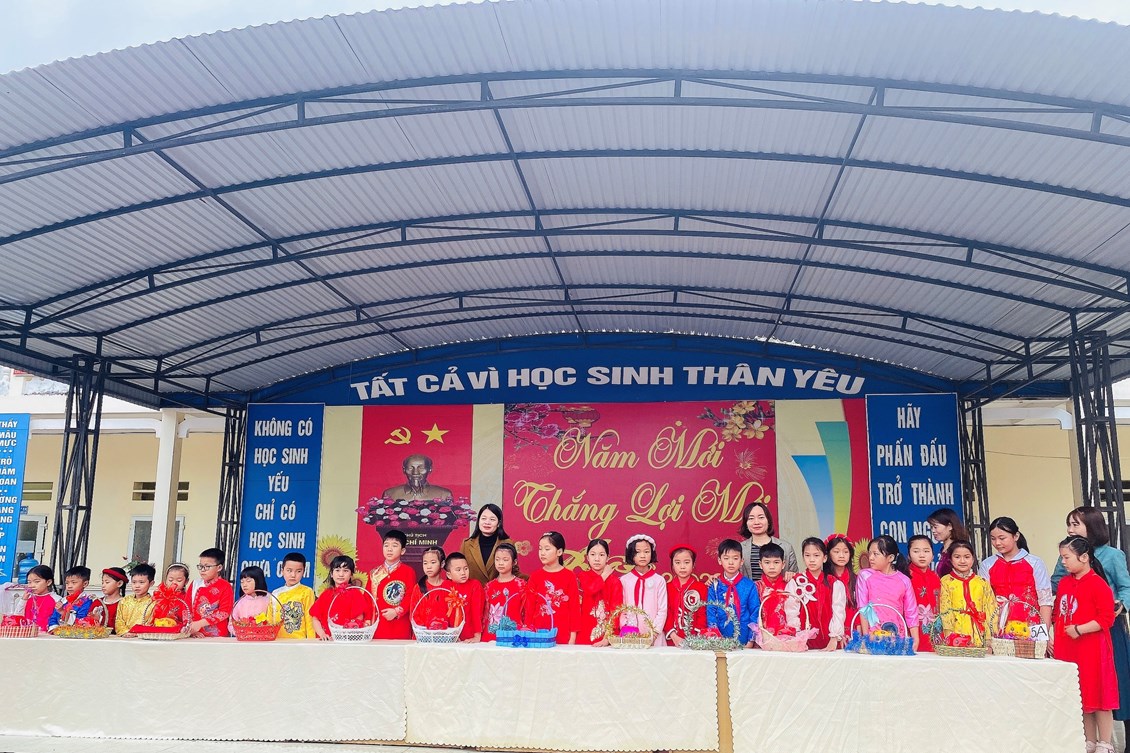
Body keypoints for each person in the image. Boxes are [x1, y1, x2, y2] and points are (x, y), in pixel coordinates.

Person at [1051, 507, 1130, 727]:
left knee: (1115, 680)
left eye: (1075, 524)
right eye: (1068, 524)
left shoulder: (1112, 555)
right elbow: (1056, 583)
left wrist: (1121, 605)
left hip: (1107, 625)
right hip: (1075, 628)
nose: (1070, 529)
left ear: (1093, 526)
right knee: (1084, 685)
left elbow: (1125, 587)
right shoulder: (1066, 555)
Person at [1054, 536, 1119, 753]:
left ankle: (1105, 742)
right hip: (1069, 648)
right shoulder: (1064, 583)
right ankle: (1089, 739)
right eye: (1062, 557)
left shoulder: (1098, 584)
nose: (1063, 562)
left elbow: (1106, 618)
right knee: (1081, 694)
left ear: (1084, 557)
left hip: (1093, 648)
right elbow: (1059, 612)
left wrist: (1080, 629)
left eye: (1067, 557)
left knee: (1099, 694)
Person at [978, 516, 1053, 630]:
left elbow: (1045, 601)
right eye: (993, 539)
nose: (997, 543)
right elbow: (984, 600)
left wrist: (1044, 632)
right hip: (999, 627)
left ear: (1016, 536)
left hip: (1031, 626)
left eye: (1002, 538)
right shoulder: (987, 565)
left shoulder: (1035, 563)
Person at [855, 536, 920, 644]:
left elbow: (911, 611)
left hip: (897, 637)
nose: (871, 558)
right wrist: (866, 637)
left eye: (876, 554)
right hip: (873, 637)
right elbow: (863, 607)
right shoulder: (865, 575)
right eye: (869, 553)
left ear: (890, 558)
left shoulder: (904, 580)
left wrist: (915, 639)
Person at [522, 531, 579, 644]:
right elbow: (529, 607)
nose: (542, 553)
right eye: (540, 549)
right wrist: (528, 631)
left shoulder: (569, 576)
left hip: (563, 634)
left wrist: (572, 637)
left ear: (559, 552)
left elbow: (574, 608)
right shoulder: (535, 576)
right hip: (538, 633)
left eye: (547, 549)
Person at [938, 541, 996, 648]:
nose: (962, 561)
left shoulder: (982, 583)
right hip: (955, 636)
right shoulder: (945, 582)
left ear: (973, 559)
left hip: (980, 635)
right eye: (957, 557)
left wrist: (989, 639)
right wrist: (949, 637)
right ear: (950, 559)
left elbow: (990, 610)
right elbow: (944, 611)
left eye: (967, 557)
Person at [793, 538, 847, 650]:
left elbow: (838, 611)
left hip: (829, 641)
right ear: (803, 557)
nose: (812, 560)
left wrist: (834, 638)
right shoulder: (796, 582)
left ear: (824, 558)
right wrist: (797, 637)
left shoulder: (834, 583)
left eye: (816, 555)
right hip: (803, 643)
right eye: (807, 555)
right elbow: (792, 611)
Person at [707, 539, 759, 647]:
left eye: (735, 558)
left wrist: (751, 640)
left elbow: (755, 612)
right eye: (726, 558)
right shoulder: (715, 585)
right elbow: (711, 612)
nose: (731, 562)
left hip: (744, 640)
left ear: (741, 561)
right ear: (719, 560)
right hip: (720, 640)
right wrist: (714, 637)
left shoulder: (749, 586)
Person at [311, 555, 375, 640]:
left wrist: (345, 635)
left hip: (348, 640)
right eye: (337, 570)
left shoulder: (356, 594)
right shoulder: (326, 594)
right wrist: (322, 634)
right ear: (331, 574)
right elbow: (315, 618)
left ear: (351, 574)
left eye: (345, 571)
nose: (341, 574)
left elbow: (359, 619)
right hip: (327, 641)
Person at [619, 534, 667, 646]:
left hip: (654, 637)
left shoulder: (659, 580)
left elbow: (662, 609)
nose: (642, 556)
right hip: (631, 636)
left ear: (652, 553)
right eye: (638, 552)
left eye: (646, 551)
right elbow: (621, 609)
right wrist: (627, 629)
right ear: (631, 554)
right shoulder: (624, 580)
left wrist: (654, 633)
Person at [367, 529, 415, 639]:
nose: (389, 549)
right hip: (378, 624)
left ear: (402, 551)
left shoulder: (408, 571)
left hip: (399, 624)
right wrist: (367, 620)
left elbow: (411, 596)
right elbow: (367, 598)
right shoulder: (374, 573)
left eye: (394, 545)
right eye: (386, 545)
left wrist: (396, 612)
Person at [576, 539, 622, 646]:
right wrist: (604, 575)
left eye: (601, 555)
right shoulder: (582, 576)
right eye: (593, 554)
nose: (597, 559)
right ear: (587, 557)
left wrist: (607, 639)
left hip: (607, 637)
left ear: (607, 557)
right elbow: (590, 589)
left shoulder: (615, 581)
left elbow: (616, 611)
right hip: (584, 634)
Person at [738, 502, 797, 581]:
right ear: (746, 524)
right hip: (749, 589)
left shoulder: (786, 547)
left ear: (768, 521)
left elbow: (795, 576)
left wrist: (792, 575)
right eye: (751, 518)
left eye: (761, 517)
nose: (756, 522)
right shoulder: (740, 549)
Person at [459, 504, 513, 584]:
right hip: (473, 591)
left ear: (499, 523)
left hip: (498, 590)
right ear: (478, 521)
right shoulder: (466, 544)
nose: (487, 522)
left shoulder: (507, 543)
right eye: (483, 518)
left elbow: (514, 571)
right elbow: (459, 570)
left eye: (492, 519)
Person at [665, 544, 707, 646]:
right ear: (672, 565)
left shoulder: (701, 588)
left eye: (687, 562)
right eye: (677, 562)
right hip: (672, 640)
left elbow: (702, 614)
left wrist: (696, 636)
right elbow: (666, 613)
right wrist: (673, 636)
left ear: (693, 564)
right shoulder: (667, 587)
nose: (682, 566)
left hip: (695, 640)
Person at [187, 548, 234, 638]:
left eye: (207, 566)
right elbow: (186, 608)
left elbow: (224, 612)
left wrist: (200, 623)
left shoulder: (225, 586)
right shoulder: (195, 584)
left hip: (218, 636)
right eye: (200, 566)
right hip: (194, 634)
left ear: (219, 568)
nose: (202, 570)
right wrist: (191, 629)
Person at [484, 543, 524, 642]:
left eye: (505, 560)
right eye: (497, 559)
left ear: (514, 562)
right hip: (492, 635)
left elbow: (525, 612)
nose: (500, 563)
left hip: (515, 634)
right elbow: (485, 613)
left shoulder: (521, 585)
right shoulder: (489, 586)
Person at [907, 535, 941, 653]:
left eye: (926, 551)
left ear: (932, 555)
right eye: (916, 551)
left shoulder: (936, 578)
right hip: (913, 630)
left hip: (935, 631)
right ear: (909, 555)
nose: (922, 555)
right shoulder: (906, 577)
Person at [273, 552, 316, 639]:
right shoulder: (275, 593)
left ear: (303, 572)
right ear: (282, 571)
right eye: (289, 570)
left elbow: (310, 620)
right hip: (277, 640)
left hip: (299, 641)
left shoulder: (307, 591)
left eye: (298, 571)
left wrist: (311, 642)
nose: (293, 575)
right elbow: (271, 618)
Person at [756, 542, 795, 636]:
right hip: (763, 635)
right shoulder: (756, 587)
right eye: (767, 562)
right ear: (760, 564)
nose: (772, 567)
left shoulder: (790, 584)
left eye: (776, 562)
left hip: (787, 635)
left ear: (783, 564)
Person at [446, 552, 484, 642]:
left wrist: (477, 636)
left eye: (466, 568)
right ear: (449, 575)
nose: (463, 573)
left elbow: (477, 611)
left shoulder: (475, 585)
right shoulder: (445, 586)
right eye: (458, 570)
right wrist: (448, 635)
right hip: (451, 636)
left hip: (471, 635)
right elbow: (442, 612)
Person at [382, 454, 453, 500]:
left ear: (430, 469)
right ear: (404, 470)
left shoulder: (444, 494)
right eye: (410, 468)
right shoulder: (390, 494)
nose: (415, 473)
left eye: (421, 468)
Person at [407, 546, 450, 620]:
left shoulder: (449, 587)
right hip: (422, 627)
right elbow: (413, 615)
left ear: (442, 563)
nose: (428, 567)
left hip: (446, 627)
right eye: (425, 563)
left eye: (433, 562)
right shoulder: (418, 588)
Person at [927, 508, 970, 578]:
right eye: (931, 527)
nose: (933, 531)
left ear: (950, 526)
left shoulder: (959, 549)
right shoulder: (944, 549)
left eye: (935, 527)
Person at [48, 565, 94, 632]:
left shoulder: (87, 601)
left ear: (85, 584)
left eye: (73, 582)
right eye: (67, 583)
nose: (69, 586)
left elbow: (81, 621)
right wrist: (54, 628)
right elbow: (53, 617)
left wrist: (62, 612)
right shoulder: (63, 600)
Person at [826, 534, 857, 629]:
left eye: (846, 552)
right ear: (827, 554)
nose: (841, 556)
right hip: (830, 630)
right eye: (836, 551)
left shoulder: (856, 579)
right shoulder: (824, 579)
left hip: (852, 629)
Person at [116, 563, 156, 635]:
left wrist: (136, 633)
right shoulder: (124, 601)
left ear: (151, 583)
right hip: (124, 637)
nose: (137, 586)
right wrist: (125, 632)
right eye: (134, 582)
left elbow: (151, 623)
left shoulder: (154, 603)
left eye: (141, 582)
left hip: (143, 638)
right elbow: (119, 621)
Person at [23, 565, 61, 632]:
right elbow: (17, 616)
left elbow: (58, 621)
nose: (32, 585)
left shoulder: (57, 599)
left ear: (48, 582)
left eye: (37, 581)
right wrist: (23, 600)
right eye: (29, 582)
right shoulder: (28, 598)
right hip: (27, 634)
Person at [93, 566, 128, 632]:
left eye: (107, 582)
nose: (103, 585)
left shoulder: (125, 604)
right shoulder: (97, 602)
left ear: (119, 583)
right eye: (102, 582)